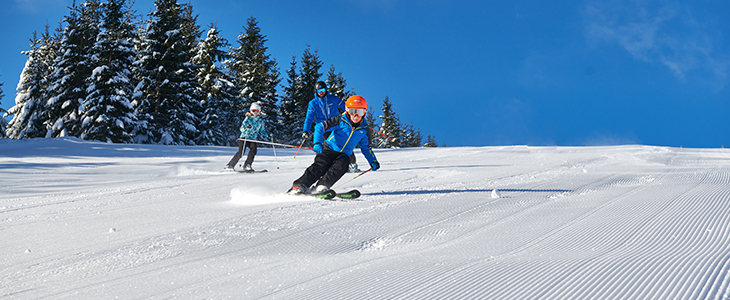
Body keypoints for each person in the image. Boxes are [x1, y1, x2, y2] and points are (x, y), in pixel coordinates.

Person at [288, 95, 380, 195]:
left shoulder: (364, 130)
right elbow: (320, 127)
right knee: (320, 166)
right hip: (329, 149)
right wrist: (317, 143)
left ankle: (322, 186)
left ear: (365, 113)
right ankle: (299, 186)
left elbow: (366, 148)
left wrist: (373, 161)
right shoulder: (340, 120)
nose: (356, 115)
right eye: (353, 111)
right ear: (348, 111)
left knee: (343, 165)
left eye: (360, 112)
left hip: (344, 154)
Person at [302, 81, 360, 172]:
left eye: (323, 90)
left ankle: (353, 163)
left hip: (337, 125)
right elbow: (309, 118)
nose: (321, 92)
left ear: (326, 89)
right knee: (328, 146)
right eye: (319, 90)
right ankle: (324, 166)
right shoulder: (313, 103)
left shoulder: (333, 99)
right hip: (324, 127)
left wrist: (354, 113)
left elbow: (345, 107)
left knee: (344, 143)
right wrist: (306, 130)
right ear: (316, 91)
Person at [225, 102, 271, 172]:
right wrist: (246, 128)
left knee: (254, 150)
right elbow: (242, 128)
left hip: (252, 139)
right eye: (254, 111)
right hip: (244, 137)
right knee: (241, 152)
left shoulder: (260, 121)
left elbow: (262, 131)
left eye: (257, 111)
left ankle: (247, 165)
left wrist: (267, 134)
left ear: (259, 111)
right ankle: (230, 165)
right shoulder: (248, 119)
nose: (255, 112)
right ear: (251, 111)